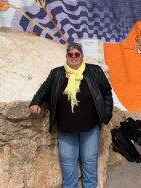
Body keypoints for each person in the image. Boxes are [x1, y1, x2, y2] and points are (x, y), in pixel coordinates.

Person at [29, 43, 113, 188]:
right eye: (70, 54)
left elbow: (107, 92)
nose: (73, 57)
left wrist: (106, 114)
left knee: (89, 160)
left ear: (82, 56)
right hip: (66, 129)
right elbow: (44, 90)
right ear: (66, 56)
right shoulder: (57, 73)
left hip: (90, 127)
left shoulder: (94, 71)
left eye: (76, 54)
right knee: (68, 162)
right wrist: (35, 102)